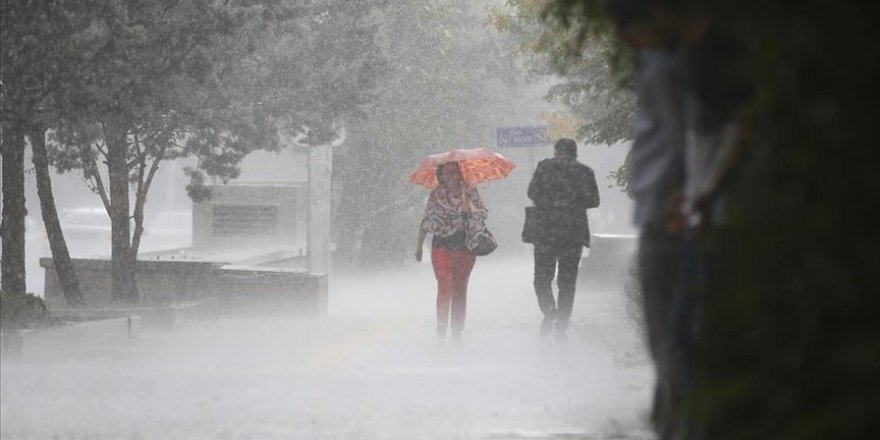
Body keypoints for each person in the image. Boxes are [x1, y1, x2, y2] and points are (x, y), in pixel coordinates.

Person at [604, 0, 690, 438]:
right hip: (668, 215)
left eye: (624, 25)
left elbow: (683, 140)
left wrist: (688, 197)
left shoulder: (663, 70)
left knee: (670, 340)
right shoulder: (670, 65)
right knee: (672, 338)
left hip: (667, 217)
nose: (623, 37)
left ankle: (676, 423)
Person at [525, 138, 600, 341]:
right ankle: (562, 323)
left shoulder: (544, 168)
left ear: (557, 150)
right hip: (573, 233)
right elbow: (594, 200)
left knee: (542, 277)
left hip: (545, 232)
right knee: (568, 281)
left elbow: (532, 193)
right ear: (574, 152)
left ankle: (550, 311)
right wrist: (572, 202)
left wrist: (550, 201)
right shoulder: (585, 171)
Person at [415, 162, 488, 342]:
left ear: (460, 174)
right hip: (441, 245)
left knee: (460, 287)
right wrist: (419, 246)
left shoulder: (470, 192)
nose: (451, 176)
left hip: (465, 246)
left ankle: (457, 329)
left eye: (455, 172)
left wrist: (469, 209)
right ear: (441, 175)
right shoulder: (435, 195)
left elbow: (483, 213)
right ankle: (441, 323)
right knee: (444, 282)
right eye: (447, 173)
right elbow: (426, 221)